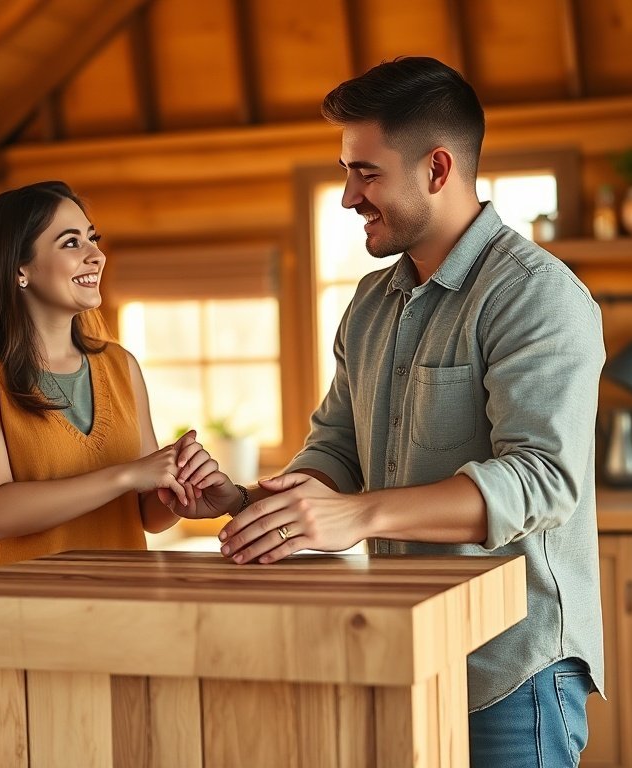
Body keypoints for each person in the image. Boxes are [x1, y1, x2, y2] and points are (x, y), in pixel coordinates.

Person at [210, 57, 606, 767]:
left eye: (365, 173)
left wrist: (359, 514)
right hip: (400, 651)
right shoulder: (369, 304)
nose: (346, 197)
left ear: (437, 169)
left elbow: (542, 479)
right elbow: (336, 449)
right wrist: (258, 500)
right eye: (345, 171)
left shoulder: (536, 297)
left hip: (509, 673)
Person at [0, 181, 232, 767]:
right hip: (4, 629)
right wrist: (127, 475)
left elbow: (146, 514)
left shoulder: (119, 365)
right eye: (71, 241)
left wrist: (183, 496)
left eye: (94, 239)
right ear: (20, 268)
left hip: (111, 625)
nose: (95, 254)